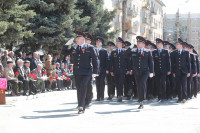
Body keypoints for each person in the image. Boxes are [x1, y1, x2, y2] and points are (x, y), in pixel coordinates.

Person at [62, 31, 98, 114]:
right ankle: (81, 104)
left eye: (78, 38)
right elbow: (64, 53)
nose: (76, 40)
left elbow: (95, 60)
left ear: (83, 39)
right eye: (76, 38)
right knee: (79, 88)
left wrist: (95, 72)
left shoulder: (90, 48)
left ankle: (82, 106)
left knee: (83, 86)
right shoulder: (74, 47)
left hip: (87, 72)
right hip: (77, 71)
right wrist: (67, 44)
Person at [129, 36, 154, 109]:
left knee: (143, 83)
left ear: (143, 44)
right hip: (136, 71)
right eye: (137, 42)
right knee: (139, 85)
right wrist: (130, 47)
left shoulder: (148, 51)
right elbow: (126, 55)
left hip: (145, 71)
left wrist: (151, 71)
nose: (137, 44)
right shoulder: (133, 51)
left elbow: (151, 62)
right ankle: (140, 100)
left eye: (139, 42)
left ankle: (142, 98)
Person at [171, 38, 191, 103]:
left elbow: (188, 63)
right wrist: (173, 71)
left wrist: (189, 71)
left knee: (184, 84)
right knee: (178, 85)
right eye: (176, 44)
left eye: (177, 44)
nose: (176, 45)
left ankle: (184, 97)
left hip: (184, 71)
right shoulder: (174, 53)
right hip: (177, 71)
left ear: (181, 45)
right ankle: (179, 97)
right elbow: (172, 63)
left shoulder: (186, 52)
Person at [110, 37, 129, 102]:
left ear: (121, 44)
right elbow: (111, 62)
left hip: (122, 70)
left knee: (121, 83)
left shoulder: (125, 51)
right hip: (115, 70)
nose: (117, 44)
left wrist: (127, 69)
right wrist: (111, 70)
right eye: (117, 42)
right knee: (117, 83)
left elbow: (127, 62)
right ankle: (118, 94)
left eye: (118, 42)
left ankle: (120, 95)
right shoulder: (113, 52)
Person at [95, 36, 108, 101]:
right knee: (97, 83)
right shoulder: (94, 50)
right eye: (97, 42)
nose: (97, 43)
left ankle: (102, 96)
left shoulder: (104, 51)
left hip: (103, 69)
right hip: (96, 70)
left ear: (101, 43)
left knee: (102, 83)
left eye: (99, 42)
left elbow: (106, 60)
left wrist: (107, 69)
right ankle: (98, 97)